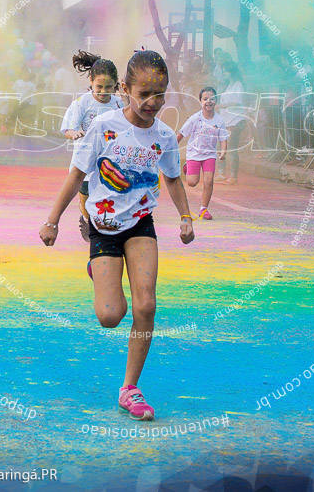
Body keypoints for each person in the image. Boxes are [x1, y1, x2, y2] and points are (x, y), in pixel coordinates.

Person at [39, 49, 195, 421]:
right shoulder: (104, 127)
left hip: (141, 223)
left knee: (146, 306)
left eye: (160, 95)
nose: (152, 103)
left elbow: (172, 178)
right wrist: (53, 220)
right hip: (103, 227)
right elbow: (76, 175)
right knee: (111, 315)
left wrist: (186, 216)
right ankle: (100, 271)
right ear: (126, 90)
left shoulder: (165, 136)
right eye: (144, 94)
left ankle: (130, 388)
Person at [60, 50, 124, 241]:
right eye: (99, 87)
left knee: (109, 196)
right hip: (85, 161)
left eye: (108, 87)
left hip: (109, 161)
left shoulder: (119, 104)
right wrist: (75, 133)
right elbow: (67, 129)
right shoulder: (82, 103)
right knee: (85, 197)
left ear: (116, 86)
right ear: (91, 82)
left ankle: (103, 226)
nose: (104, 92)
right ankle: (86, 218)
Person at [176, 86, 228, 220]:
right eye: (205, 99)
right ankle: (187, 168)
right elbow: (181, 134)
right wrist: (172, 148)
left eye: (212, 99)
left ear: (216, 101)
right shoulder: (195, 118)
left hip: (209, 154)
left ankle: (204, 209)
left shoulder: (219, 120)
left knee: (209, 180)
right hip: (194, 153)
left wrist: (223, 152)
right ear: (200, 101)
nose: (208, 102)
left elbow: (223, 138)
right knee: (192, 182)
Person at [215, 61, 250, 184]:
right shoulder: (228, 85)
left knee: (232, 149)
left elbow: (237, 102)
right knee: (221, 147)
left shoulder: (238, 85)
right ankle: (221, 173)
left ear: (232, 72)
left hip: (236, 121)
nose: (224, 73)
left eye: (226, 71)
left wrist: (220, 106)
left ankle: (233, 177)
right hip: (226, 121)